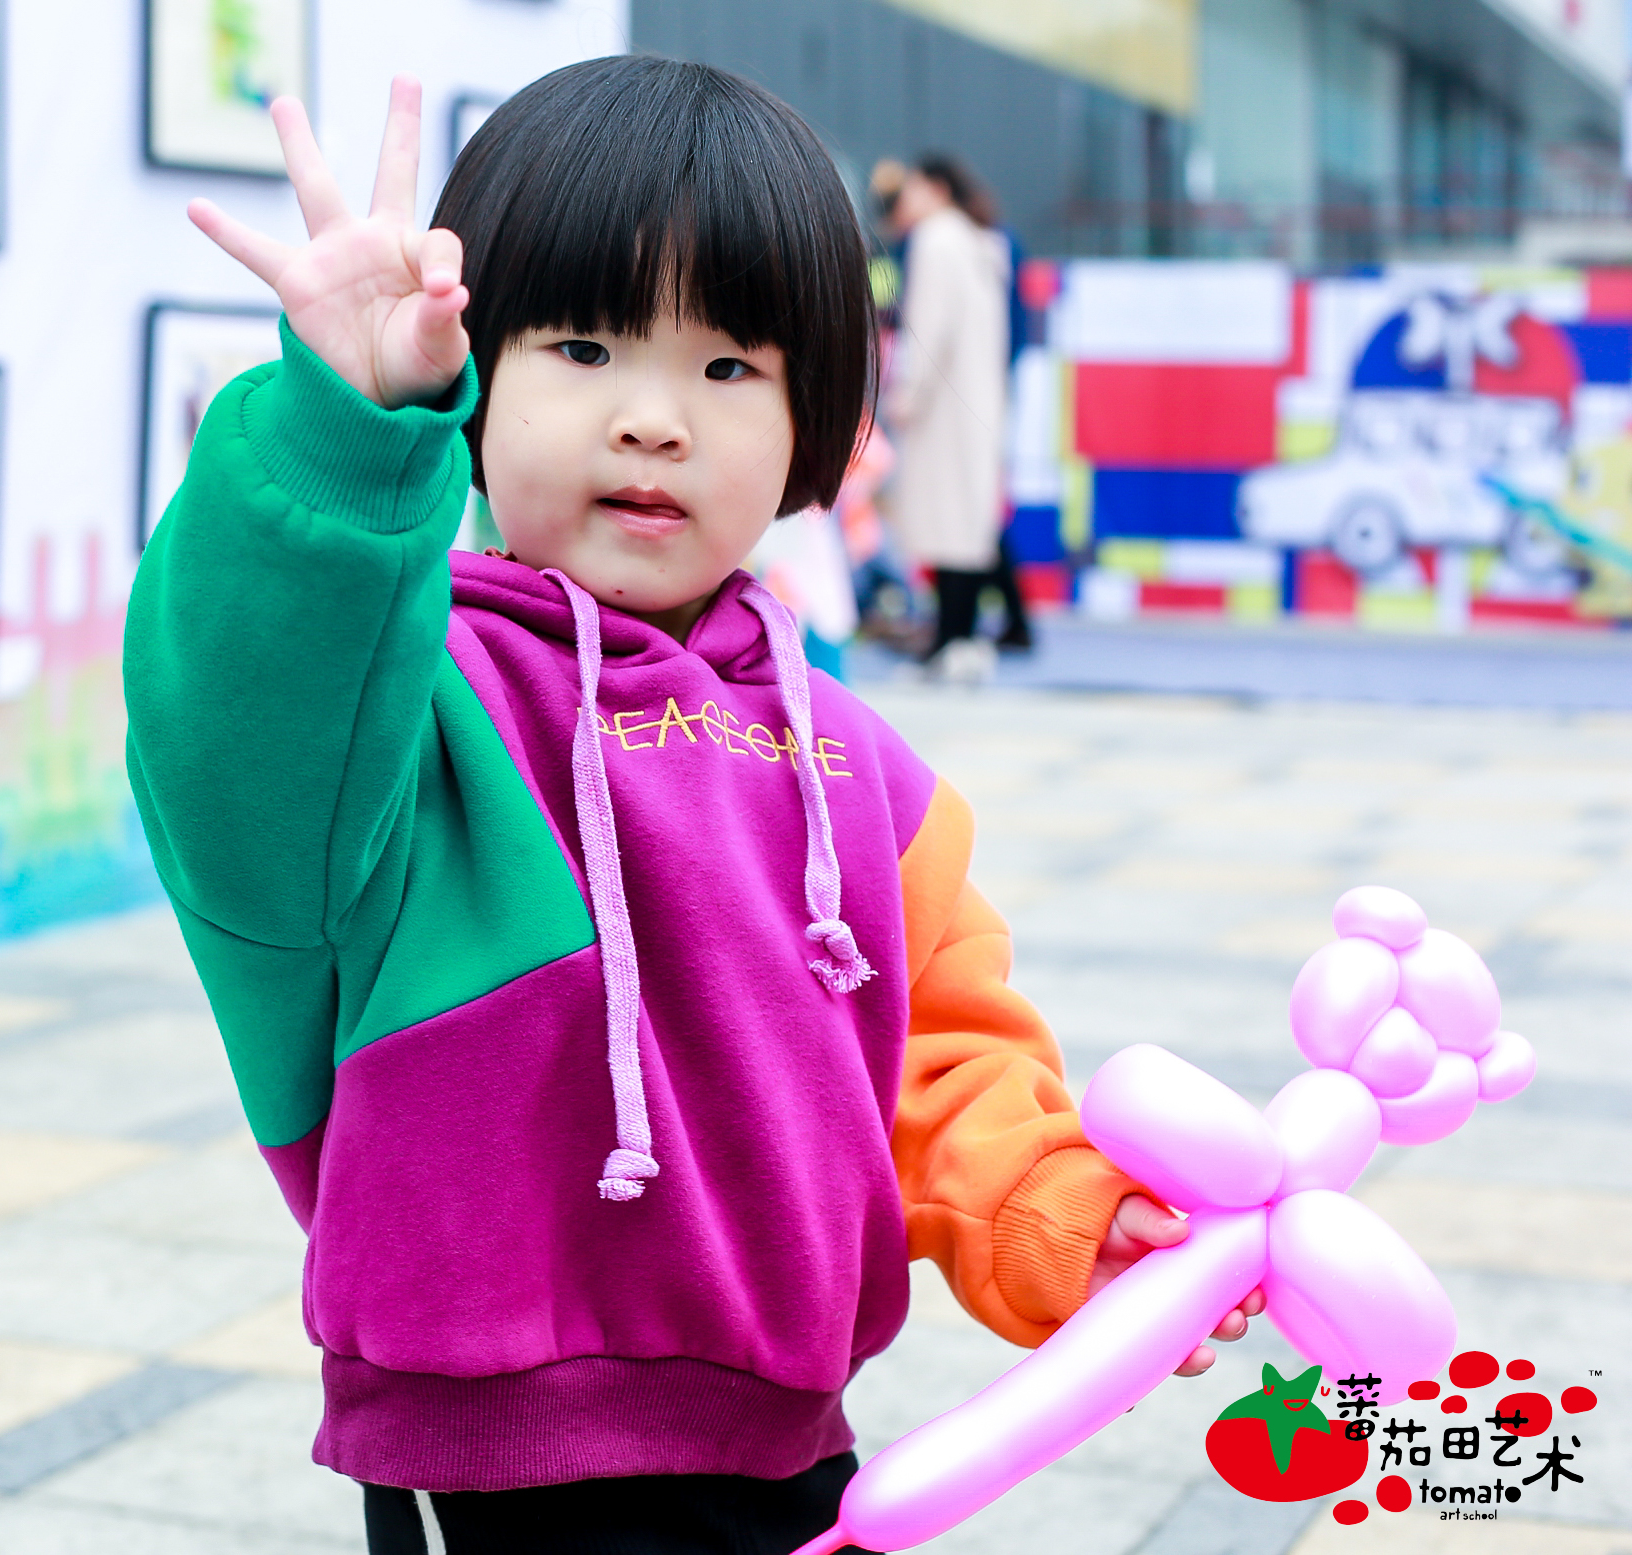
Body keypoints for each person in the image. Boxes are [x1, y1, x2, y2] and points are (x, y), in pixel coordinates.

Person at [130, 59, 1260, 1554]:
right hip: (494, 1459)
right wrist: (343, 430)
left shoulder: (859, 769)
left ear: (815, 422)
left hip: (790, 1436)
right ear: (477, 376)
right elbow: (237, 743)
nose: (653, 420)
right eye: (582, 346)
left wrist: (1065, 1212)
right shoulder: (411, 707)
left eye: (729, 366)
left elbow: (944, 1064)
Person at [881, 154, 1016, 677]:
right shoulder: (981, 241)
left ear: (936, 189)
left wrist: (908, 394)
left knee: (945, 524)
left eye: (912, 188)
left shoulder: (937, 239)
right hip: (976, 400)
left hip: (942, 404)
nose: (905, 201)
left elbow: (927, 330)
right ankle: (958, 638)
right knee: (964, 524)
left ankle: (950, 642)